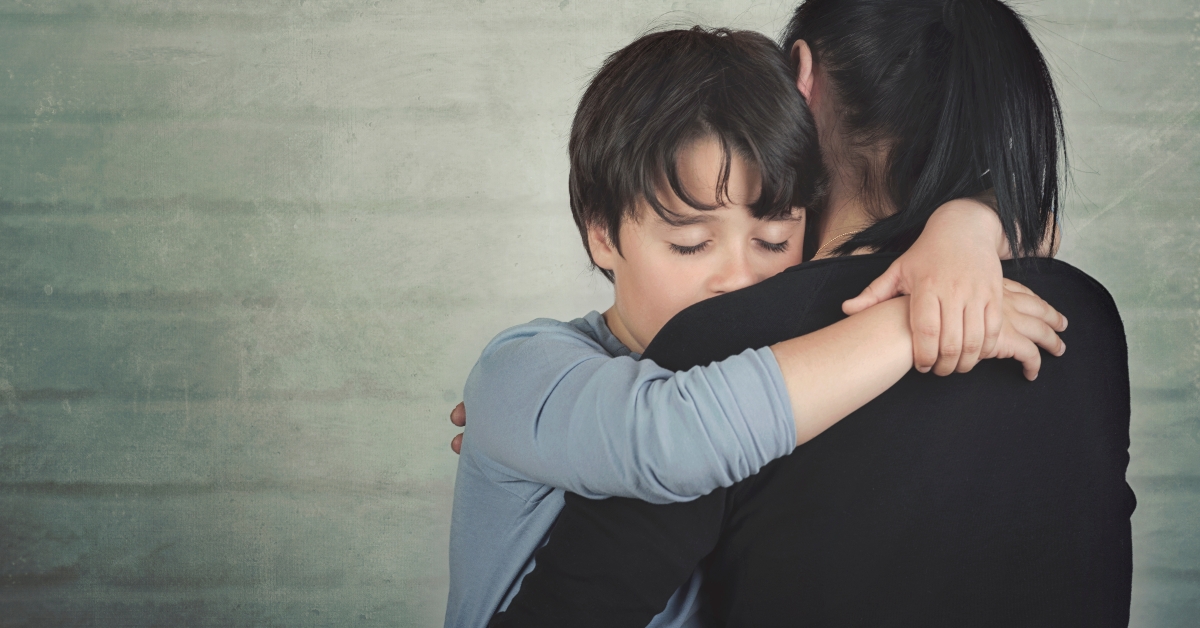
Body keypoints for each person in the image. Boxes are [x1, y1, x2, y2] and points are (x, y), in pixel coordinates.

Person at [487, 1, 1135, 626]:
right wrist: (931, 291)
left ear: (801, 79)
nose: (736, 277)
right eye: (690, 242)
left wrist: (956, 244)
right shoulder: (1086, 319)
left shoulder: (728, 336)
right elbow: (665, 434)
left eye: (770, 241)